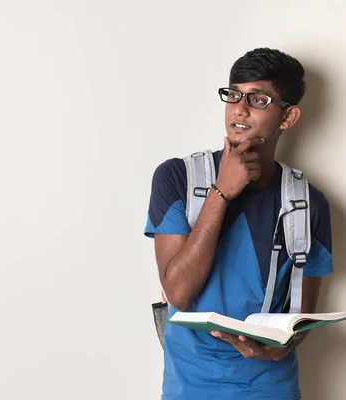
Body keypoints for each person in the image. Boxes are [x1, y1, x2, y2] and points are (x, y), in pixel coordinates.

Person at [143, 47, 334, 400]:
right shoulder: (175, 178)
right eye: (234, 95)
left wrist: (285, 345)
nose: (240, 109)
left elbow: (301, 314)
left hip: (270, 387)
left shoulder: (309, 202)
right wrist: (221, 192)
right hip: (190, 388)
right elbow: (178, 293)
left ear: (288, 117)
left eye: (258, 99)